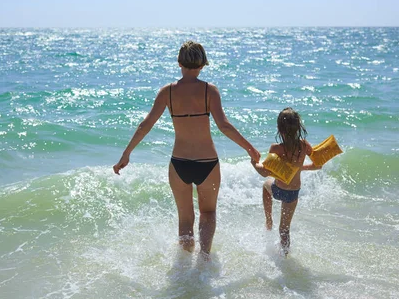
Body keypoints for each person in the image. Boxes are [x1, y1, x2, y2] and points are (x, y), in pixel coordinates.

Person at [113, 40, 260, 259]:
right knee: (208, 213)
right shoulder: (209, 90)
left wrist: (127, 154)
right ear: (203, 64)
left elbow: (145, 125)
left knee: (185, 217)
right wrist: (250, 149)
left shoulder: (167, 92)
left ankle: (184, 266)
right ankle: (205, 258)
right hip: (207, 163)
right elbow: (224, 126)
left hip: (179, 163)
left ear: (179, 63)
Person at [251, 107, 322, 256]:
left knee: (266, 186)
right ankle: (285, 257)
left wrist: (254, 163)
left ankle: (268, 220)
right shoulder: (304, 145)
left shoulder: (276, 148)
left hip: (278, 189)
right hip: (293, 194)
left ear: (279, 128)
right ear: (298, 127)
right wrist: (299, 168)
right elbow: (318, 165)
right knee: (284, 229)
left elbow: (264, 172)